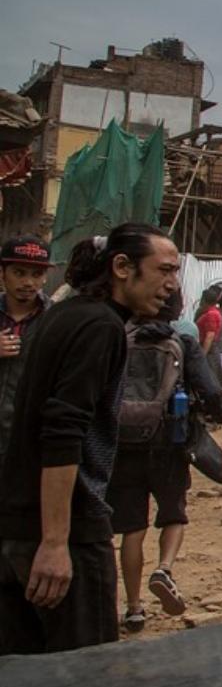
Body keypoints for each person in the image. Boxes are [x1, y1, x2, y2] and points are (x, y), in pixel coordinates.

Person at [0, 223, 179, 654]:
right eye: (164, 270)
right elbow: (62, 432)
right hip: (67, 534)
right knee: (87, 683)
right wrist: (56, 542)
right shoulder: (99, 327)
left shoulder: (64, 313)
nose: (172, 285)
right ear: (121, 267)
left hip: (17, 528)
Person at [109, 290, 222, 633]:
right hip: (169, 444)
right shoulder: (183, 341)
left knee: (132, 526)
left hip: (124, 443)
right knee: (173, 512)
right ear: (176, 310)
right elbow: (211, 391)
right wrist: (214, 414)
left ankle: (133, 608)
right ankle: (164, 568)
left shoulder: (118, 336)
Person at [0, 236, 53, 465]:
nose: (28, 282)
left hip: (28, 441)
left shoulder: (56, 321)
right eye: (19, 273)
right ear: (2, 273)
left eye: (36, 274)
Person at [194, 286, 222, 389]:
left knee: (210, 379)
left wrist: (202, 355)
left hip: (209, 351)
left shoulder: (211, 314)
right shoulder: (213, 312)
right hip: (210, 350)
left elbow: (210, 336)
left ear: (204, 300)